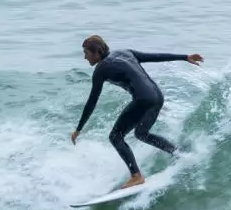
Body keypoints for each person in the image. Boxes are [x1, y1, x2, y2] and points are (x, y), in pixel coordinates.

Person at [70, 35, 204, 188]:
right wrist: (185, 57)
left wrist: (78, 129)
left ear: (96, 52)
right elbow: (154, 57)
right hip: (157, 97)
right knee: (141, 133)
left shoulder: (101, 69)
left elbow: (92, 102)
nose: (85, 57)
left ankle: (136, 176)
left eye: (86, 53)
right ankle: (178, 153)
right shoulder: (125, 52)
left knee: (115, 136)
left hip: (143, 100)